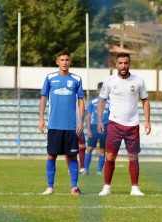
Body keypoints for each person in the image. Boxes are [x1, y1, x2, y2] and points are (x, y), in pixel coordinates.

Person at [98, 53, 151, 196]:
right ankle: (106, 187)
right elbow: (102, 100)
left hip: (133, 126)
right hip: (114, 124)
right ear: (116, 64)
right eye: (120, 63)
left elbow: (145, 100)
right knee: (110, 156)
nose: (123, 66)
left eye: (126, 63)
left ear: (129, 64)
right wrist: (99, 121)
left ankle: (135, 188)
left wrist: (147, 121)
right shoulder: (109, 81)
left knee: (133, 157)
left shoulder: (138, 80)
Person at [38, 50, 85, 196]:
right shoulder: (50, 77)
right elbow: (44, 97)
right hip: (54, 125)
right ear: (57, 62)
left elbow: (81, 100)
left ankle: (74, 187)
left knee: (72, 156)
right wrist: (41, 119)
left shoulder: (76, 79)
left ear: (70, 62)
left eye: (67, 60)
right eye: (62, 60)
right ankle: (50, 187)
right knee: (51, 155)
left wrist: (80, 121)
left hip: (71, 126)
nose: (64, 62)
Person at [83, 82, 110, 175]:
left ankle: (99, 171)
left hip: (105, 127)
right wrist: (88, 129)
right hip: (94, 126)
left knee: (103, 150)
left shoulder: (110, 103)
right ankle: (86, 169)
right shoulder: (92, 102)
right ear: (97, 91)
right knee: (89, 148)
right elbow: (88, 116)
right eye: (100, 90)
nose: (102, 92)